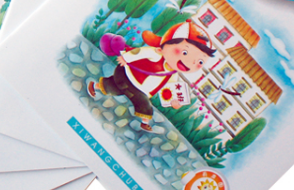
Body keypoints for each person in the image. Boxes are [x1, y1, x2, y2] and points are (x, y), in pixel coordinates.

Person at [88, 19, 216, 132]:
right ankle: (145, 123)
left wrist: (174, 101)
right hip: (127, 75)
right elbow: (139, 52)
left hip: (137, 87)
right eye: (185, 52)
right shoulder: (156, 53)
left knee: (114, 88)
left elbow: (171, 88)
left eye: (200, 61)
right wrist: (126, 58)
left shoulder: (172, 73)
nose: (190, 62)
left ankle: (95, 86)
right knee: (143, 104)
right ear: (166, 45)